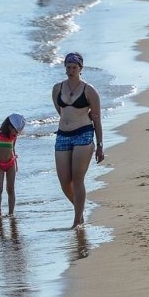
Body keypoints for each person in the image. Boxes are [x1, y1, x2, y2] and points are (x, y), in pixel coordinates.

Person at [52, 51, 104, 227]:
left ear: (81, 68)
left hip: (83, 133)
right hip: (63, 135)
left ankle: (77, 220)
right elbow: (60, 111)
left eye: (74, 67)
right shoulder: (57, 88)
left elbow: (96, 118)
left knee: (77, 178)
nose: (70, 70)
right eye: (68, 67)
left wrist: (100, 145)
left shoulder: (89, 90)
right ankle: (80, 210)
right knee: (64, 181)